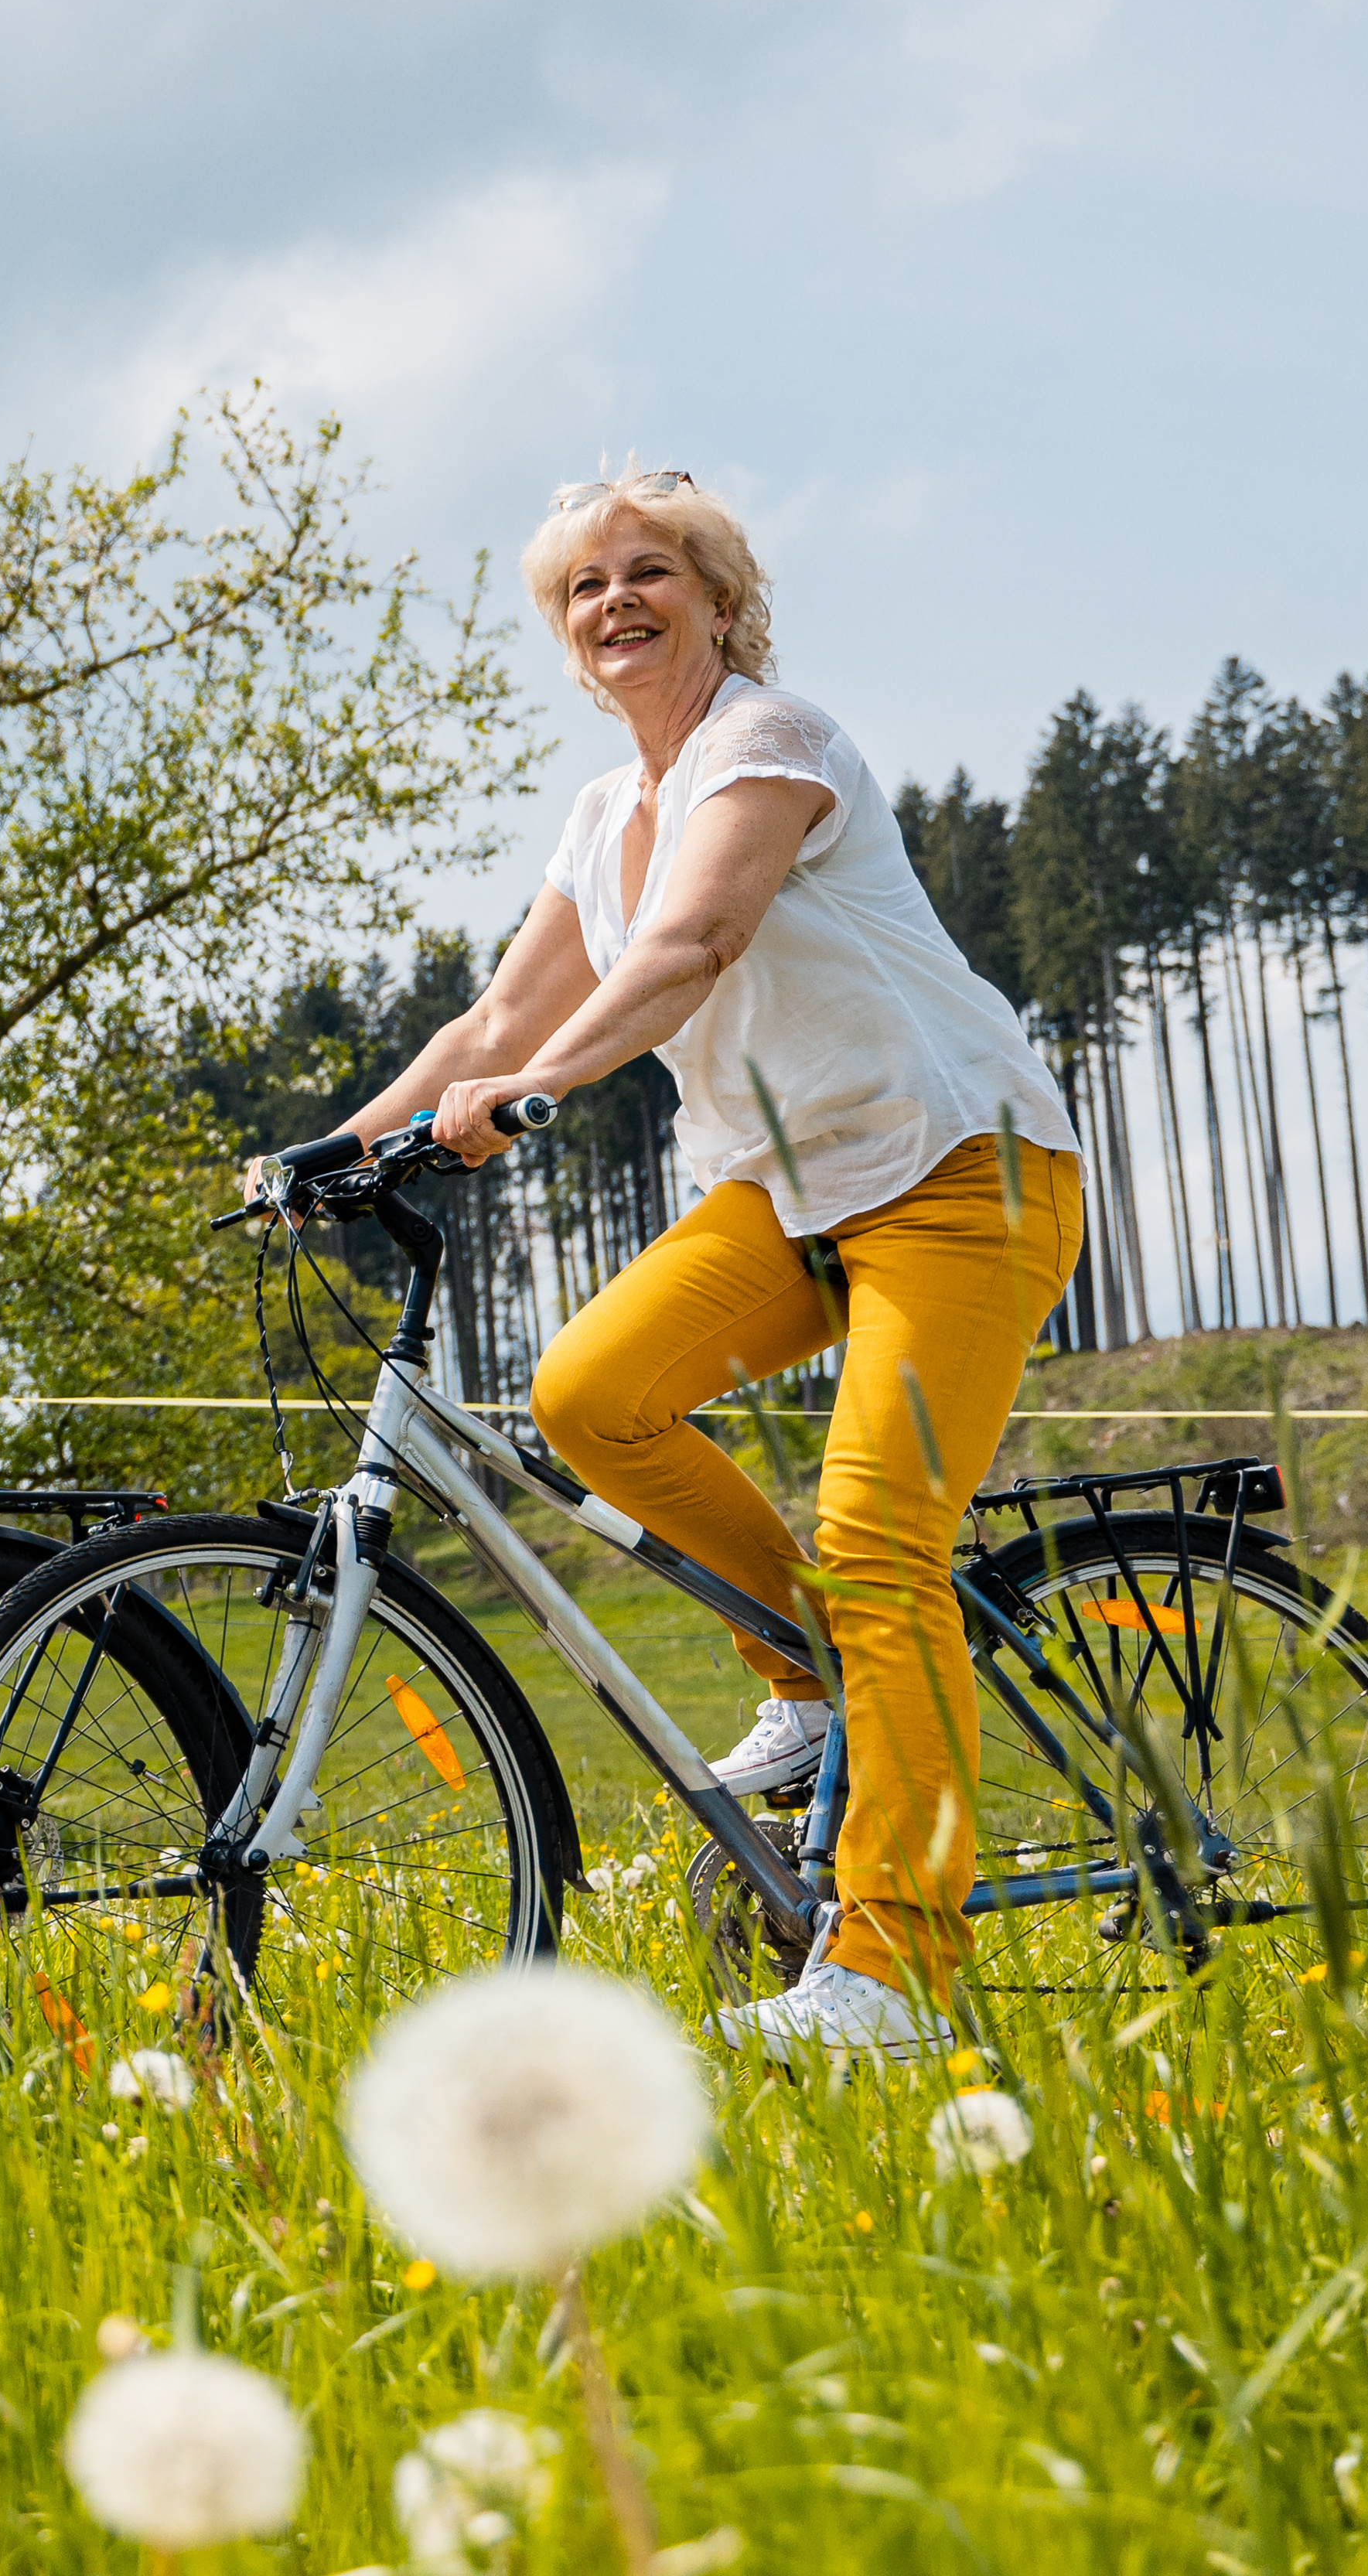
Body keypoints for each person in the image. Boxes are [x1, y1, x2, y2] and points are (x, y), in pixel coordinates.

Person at [305, 467, 1083, 2055]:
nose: (615, 604)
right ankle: (810, 1685)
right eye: (584, 589)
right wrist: (334, 1146)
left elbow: (690, 946)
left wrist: (533, 1100)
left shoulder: (771, 744)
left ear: (722, 603)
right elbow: (492, 1021)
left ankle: (897, 1970)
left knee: (876, 1538)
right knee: (592, 1395)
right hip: (791, 1196)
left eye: (649, 571)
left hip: (959, 1169)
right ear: (568, 638)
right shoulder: (605, 816)